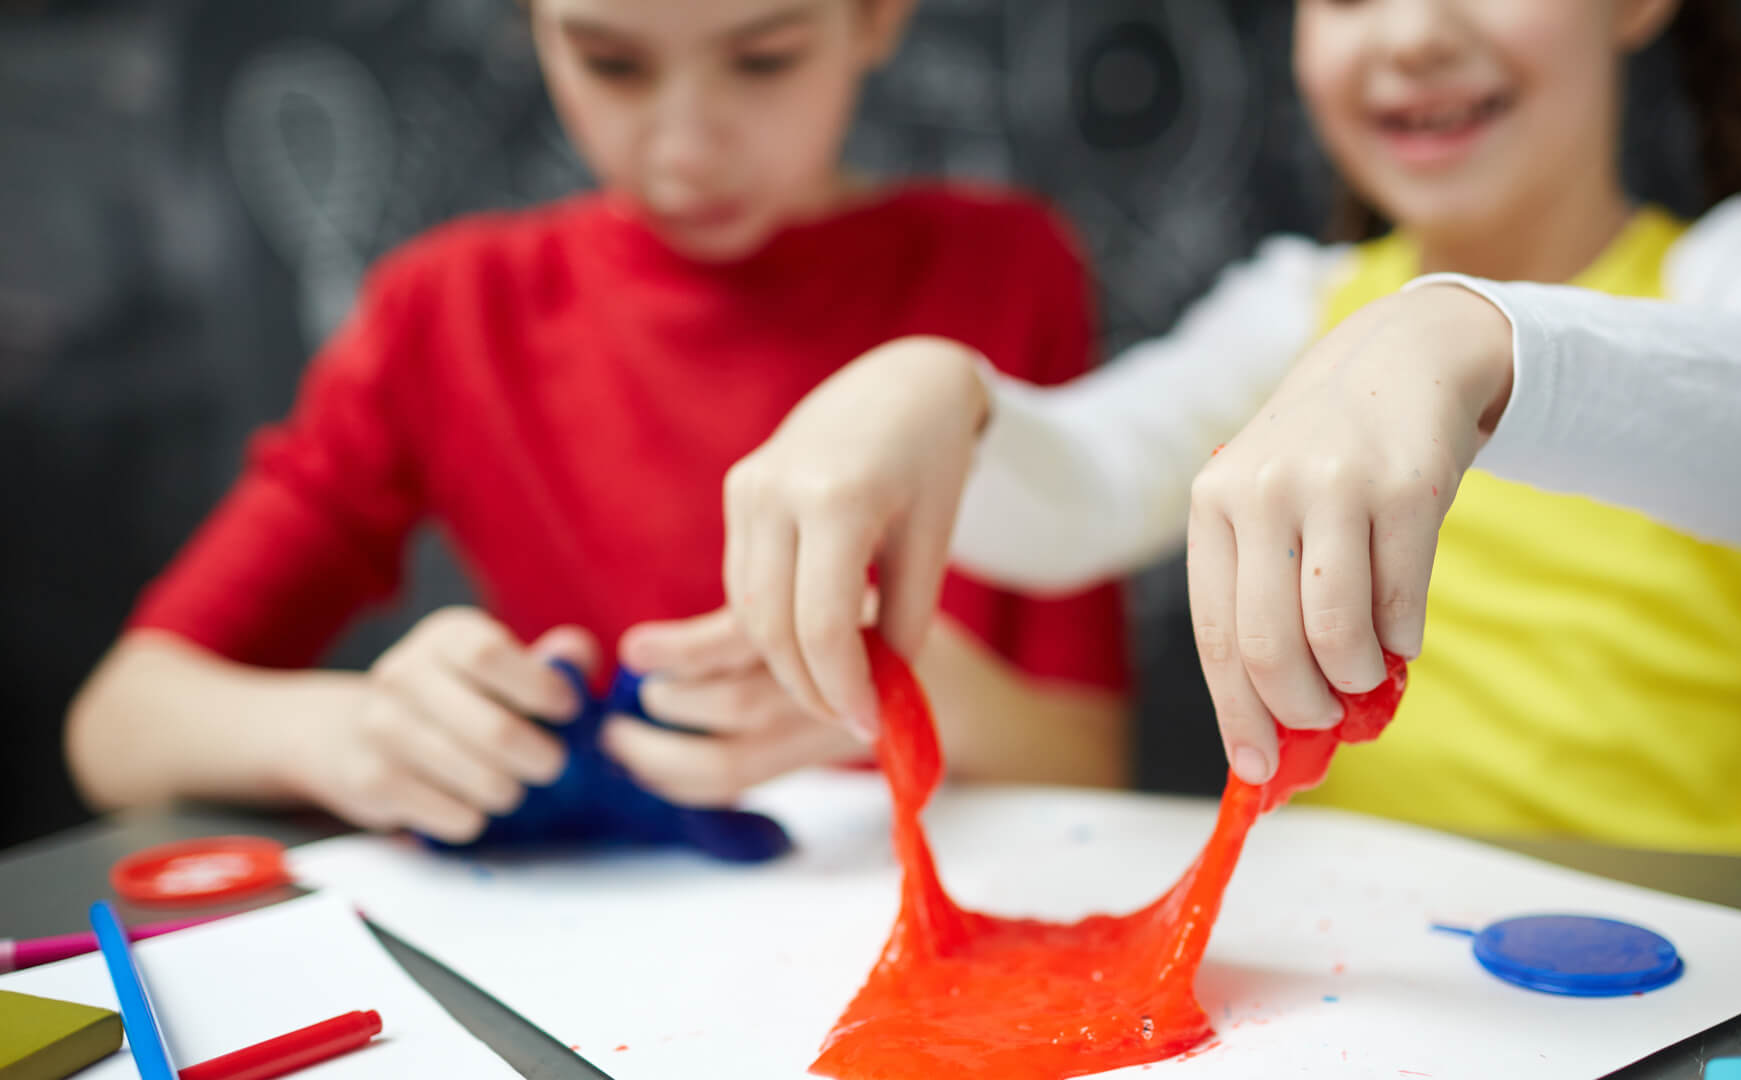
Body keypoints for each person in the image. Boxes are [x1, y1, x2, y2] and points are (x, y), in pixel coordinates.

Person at [719, 0, 1741, 852]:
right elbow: (1085, 488)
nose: (1408, 33)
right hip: (1372, 976)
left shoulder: (1735, 269)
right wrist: (939, 394)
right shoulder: (1291, 307)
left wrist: (1475, 341)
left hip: (1672, 958)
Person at [66, 0, 1130, 845]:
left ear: (877, 17)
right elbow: (118, 726)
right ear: (534, 28)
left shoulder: (1007, 270)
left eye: (763, 59)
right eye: (611, 63)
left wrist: (900, 670)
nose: (685, 148)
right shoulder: (445, 313)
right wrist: (353, 735)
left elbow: (1092, 761)